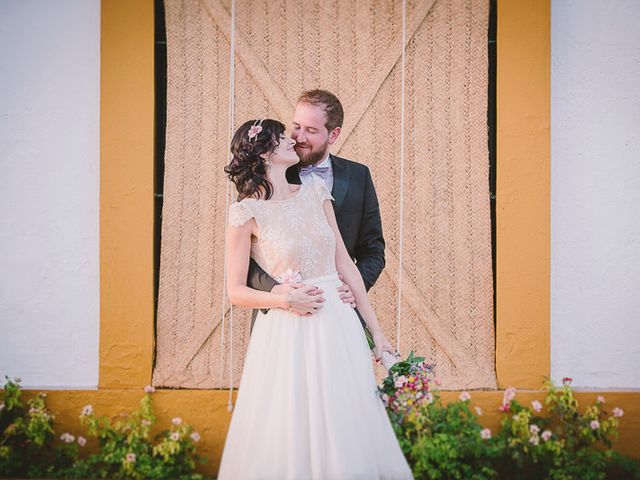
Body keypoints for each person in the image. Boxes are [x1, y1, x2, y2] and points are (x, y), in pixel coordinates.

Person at [217, 118, 413, 479]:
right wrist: (285, 301)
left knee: (344, 420)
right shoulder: (245, 213)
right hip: (287, 333)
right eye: (282, 137)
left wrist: (378, 333)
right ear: (264, 153)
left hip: (338, 325)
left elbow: (347, 267)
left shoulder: (316, 192)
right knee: (291, 426)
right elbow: (235, 291)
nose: (293, 140)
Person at [246, 90, 385, 334]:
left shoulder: (358, 176)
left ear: (334, 135)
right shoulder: (262, 182)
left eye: (311, 130)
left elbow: (373, 249)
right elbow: (245, 258)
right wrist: (282, 292)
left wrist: (352, 288)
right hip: (283, 317)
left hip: (340, 313)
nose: (298, 137)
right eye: (296, 126)